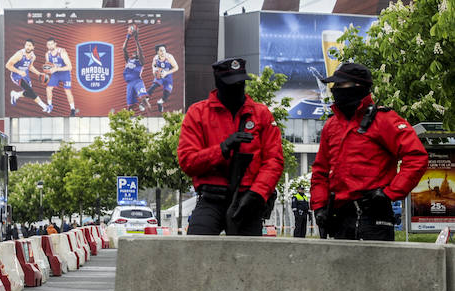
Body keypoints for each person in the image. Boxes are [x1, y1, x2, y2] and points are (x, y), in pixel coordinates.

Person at [310, 63, 428, 241]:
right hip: (340, 218)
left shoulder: (385, 120)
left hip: (374, 216)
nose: (335, 89)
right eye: (335, 85)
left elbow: (416, 157)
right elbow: (320, 171)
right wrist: (319, 206)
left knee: (375, 260)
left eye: (341, 84)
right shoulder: (331, 125)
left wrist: (390, 193)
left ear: (359, 86)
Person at [177, 57, 284, 235]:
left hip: (248, 199)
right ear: (218, 83)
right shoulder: (198, 113)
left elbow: (274, 160)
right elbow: (188, 161)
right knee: (196, 245)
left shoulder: (261, 114)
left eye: (241, 82)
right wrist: (222, 149)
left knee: (248, 251)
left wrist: (257, 194)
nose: (237, 87)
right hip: (212, 199)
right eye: (231, 83)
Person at [6, 39, 50, 112]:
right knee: (30, 91)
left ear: (33, 47)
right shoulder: (19, 54)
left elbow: (30, 67)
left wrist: (38, 73)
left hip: (25, 75)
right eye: (26, 45)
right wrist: (19, 71)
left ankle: (15, 95)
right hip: (16, 75)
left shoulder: (33, 56)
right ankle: (45, 107)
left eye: (29, 45)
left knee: (29, 93)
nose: (27, 47)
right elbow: (8, 65)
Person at [44, 38, 78, 116]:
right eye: (48, 44)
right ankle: (50, 106)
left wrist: (57, 69)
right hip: (56, 74)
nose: (50, 46)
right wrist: (49, 70)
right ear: (47, 45)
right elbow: (48, 66)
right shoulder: (47, 54)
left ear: (55, 44)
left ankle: (72, 109)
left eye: (52, 44)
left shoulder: (62, 52)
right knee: (48, 89)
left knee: (67, 91)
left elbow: (70, 67)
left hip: (65, 73)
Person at [122, 25, 151, 113]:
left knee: (144, 99)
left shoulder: (140, 61)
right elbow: (124, 48)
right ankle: (129, 118)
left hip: (137, 81)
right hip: (129, 84)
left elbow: (140, 51)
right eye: (133, 53)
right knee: (130, 106)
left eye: (136, 52)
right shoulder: (129, 60)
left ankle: (151, 113)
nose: (134, 53)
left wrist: (136, 39)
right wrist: (128, 36)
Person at [148, 45, 179, 113]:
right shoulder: (155, 58)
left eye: (164, 50)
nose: (163, 52)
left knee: (166, 95)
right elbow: (154, 67)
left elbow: (176, 67)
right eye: (161, 51)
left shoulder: (169, 57)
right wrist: (155, 73)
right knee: (153, 86)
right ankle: (144, 101)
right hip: (160, 76)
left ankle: (160, 102)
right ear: (157, 52)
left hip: (168, 77)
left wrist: (166, 73)